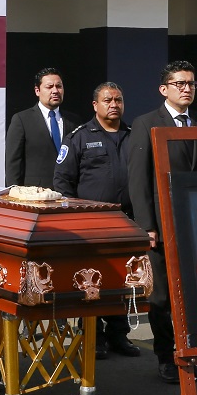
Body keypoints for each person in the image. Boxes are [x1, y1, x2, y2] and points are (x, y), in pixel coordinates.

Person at [127, 60, 197, 384]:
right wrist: (146, 225)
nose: (187, 89)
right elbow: (139, 179)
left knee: (195, 296)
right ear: (164, 89)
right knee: (162, 297)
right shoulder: (146, 123)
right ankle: (166, 358)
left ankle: (192, 355)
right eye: (180, 83)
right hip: (161, 227)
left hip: (195, 226)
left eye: (191, 83)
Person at [53, 82, 140, 359]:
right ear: (95, 105)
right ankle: (94, 335)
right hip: (91, 224)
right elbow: (62, 181)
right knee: (92, 282)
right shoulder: (79, 136)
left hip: (126, 221)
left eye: (118, 99)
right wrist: (72, 219)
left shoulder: (133, 135)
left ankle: (118, 334)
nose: (113, 104)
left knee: (122, 280)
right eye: (107, 100)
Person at [5, 67, 81, 188]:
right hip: (35, 194)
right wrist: (14, 192)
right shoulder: (22, 119)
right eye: (49, 87)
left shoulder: (74, 121)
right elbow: (13, 162)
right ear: (37, 91)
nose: (55, 91)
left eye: (59, 86)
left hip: (68, 193)